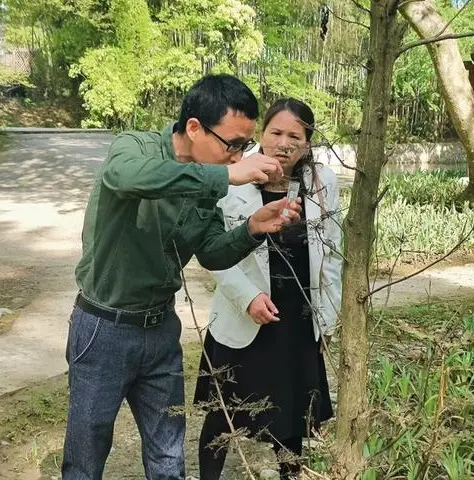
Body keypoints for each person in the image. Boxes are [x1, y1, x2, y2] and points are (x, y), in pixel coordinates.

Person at [62, 75, 302, 480]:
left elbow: (210, 252)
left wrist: (251, 229)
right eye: (234, 144)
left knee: (168, 456)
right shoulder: (134, 147)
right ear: (194, 127)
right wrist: (228, 176)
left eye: (245, 146)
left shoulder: (207, 181)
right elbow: (127, 179)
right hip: (103, 329)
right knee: (86, 455)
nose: (238, 156)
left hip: (160, 332)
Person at [194, 98, 343, 479]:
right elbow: (214, 252)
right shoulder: (232, 176)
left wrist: (328, 318)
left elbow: (332, 255)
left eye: (295, 136)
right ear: (262, 135)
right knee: (222, 416)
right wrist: (248, 298)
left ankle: (289, 475)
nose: (284, 142)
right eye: (276, 132)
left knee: (291, 418)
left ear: (307, 143)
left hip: (296, 317)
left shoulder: (321, 183)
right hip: (241, 314)